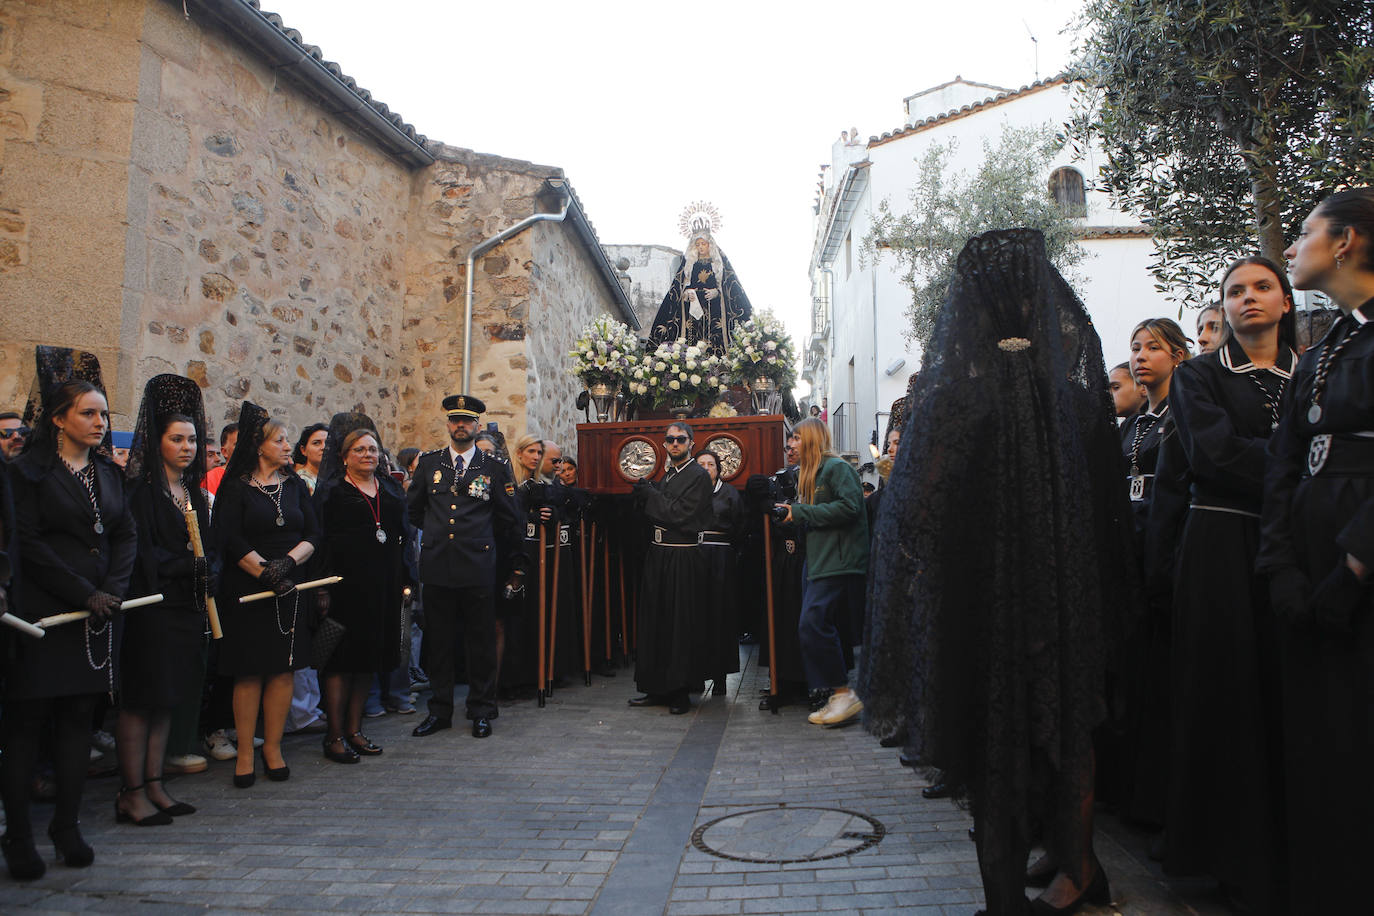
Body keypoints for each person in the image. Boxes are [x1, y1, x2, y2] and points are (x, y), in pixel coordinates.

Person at [863, 229, 1133, 915]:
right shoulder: (1074, 405)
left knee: (993, 748)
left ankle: (1007, 897)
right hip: (1067, 607)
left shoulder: (951, 407)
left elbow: (915, 516)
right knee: (1066, 734)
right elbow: (1108, 514)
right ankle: (1078, 865)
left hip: (977, 608)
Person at [1162, 257, 1295, 911]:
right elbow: (1213, 455)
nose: (1248, 299)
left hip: (1298, 549)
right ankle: (1230, 859)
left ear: (1287, 301)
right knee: (1228, 698)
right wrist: (1303, 469)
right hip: (1221, 548)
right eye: (1235, 291)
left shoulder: (1312, 371)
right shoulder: (1197, 377)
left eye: (1262, 287)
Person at [1259, 187, 1374, 913]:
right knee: (1317, 751)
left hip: (1356, 568)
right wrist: (1280, 566)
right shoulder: (1325, 343)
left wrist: (1353, 568)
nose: (1292, 247)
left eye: (1304, 234)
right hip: (1307, 565)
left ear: (1347, 242)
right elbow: (1282, 462)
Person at [3, 350, 136, 880]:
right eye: (88, 414)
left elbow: (124, 533)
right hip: (44, 616)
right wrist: (84, 591)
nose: (99, 424)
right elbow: (28, 544)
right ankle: (18, 834)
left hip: (95, 617)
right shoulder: (27, 474)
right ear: (58, 419)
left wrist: (112, 589)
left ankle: (66, 825)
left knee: (79, 721)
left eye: (104, 415)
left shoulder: (107, 473)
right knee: (26, 726)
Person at [117, 374, 218, 825]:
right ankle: (132, 790)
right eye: (176, 439)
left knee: (167, 699)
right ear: (157, 442)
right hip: (151, 609)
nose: (187, 447)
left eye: (192, 439)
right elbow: (141, 554)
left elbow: (205, 546)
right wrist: (185, 566)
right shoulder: (142, 493)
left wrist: (205, 568)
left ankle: (156, 783)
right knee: (142, 700)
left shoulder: (192, 491)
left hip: (183, 608)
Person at [210, 403, 318, 787]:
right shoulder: (237, 488)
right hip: (248, 589)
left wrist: (287, 566)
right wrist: (264, 572)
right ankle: (244, 752)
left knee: (283, 668)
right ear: (260, 446)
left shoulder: (295, 486)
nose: (289, 446)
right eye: (281, 440)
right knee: (249, 671)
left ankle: (273, 746)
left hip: (290, 585)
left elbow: (312, 534)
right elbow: (230, 538)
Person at [407, 395, 523, 739]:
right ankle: (440, 710)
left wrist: (513, 565)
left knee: (481, 642)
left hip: (478, 566)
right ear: (448, 425)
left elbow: (508, 518)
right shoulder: (429, 464)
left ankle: (482, 709)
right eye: (456, 420)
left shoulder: (493, 465)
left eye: (468, 421)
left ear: (476, 426)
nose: (461, 426)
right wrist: (436, 536)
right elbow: (414, 511)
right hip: (438, 564)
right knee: (440, 642)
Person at [313, 415, 406, 763]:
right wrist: (322, 587)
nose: (367, 455)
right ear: (345, 455)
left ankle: (355, 730)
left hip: (382, 585)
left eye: (372, 449)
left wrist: (404, 580)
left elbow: (401, 536)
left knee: (367, 661)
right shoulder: (332, 492)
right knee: (341, 664)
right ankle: (334, 735)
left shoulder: (391, 490)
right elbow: (319, 540)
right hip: (343, 587)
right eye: (360, 450)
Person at [782, 418, 868, 727]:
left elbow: (851, 507)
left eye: (795, 438)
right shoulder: (812, 474)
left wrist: (802, 512)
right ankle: (837, 695)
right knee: (814, 626)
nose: (789, 444)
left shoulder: (836, 468)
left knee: (813, 624)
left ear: (811, 439)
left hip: (837, 562)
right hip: (820, 562)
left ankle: (843, 694)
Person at [629, 421, 713, 714]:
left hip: (682, 557)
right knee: (656, 622)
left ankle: (679, 691)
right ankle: (656, 687)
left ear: (691, 442)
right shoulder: (667, 476)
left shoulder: (698, 476)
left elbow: (678, 514)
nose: (675, 444)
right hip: (659, 555)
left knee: (680, 624)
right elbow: (659, 511)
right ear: (663, 444)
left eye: (680, 439)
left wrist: (650, 494)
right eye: (670, 440)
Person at [501, 435, 554, 697]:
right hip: (510, 556)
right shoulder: (509, 484)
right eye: (531, 451)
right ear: (519, 453)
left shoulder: (541, 486)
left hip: (535, 555)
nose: (535, 456)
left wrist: (547, 515)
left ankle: (531, 676)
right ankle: (508, 680)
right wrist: (527, 517)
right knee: (511, 620)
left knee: (531, 615)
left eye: (539, 452)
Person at [647, 231, 753, 354]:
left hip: (714, 310)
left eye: (703, 243)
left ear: (710, 245)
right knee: (692, 341)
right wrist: (686, 294)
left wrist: (717, 292)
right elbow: (678, 288)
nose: (701, 247)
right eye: (697, 244)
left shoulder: (719, 263)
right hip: (692, 311)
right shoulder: (689, 263)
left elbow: (730, 287)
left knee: (715, 341)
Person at [695, 449, 743, 696]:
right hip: (694, 557)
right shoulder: (689, 493)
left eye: (710, 464)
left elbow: (739, 527)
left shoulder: (730, 493)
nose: (705, 468)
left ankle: (721, 676)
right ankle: (694, 675)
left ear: (718, 468)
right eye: (700, 464)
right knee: (695, 615)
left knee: (720, 615)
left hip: (721, 558)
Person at [292, 423, 328, 494]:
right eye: (316, 443)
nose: (324, 447)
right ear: (303, 450)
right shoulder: (301, 481)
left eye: (328, 442)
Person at [203, 423, 237, 496]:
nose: (218, 459)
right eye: (238, 444)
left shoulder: (259, 476)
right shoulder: (211, 479)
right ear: (224, 452)